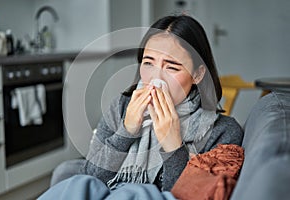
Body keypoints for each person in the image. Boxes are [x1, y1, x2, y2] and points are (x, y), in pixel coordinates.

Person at [48, 14, 244, 195]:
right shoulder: (122, 107)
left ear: (197, 74)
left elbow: (185, 196)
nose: (156, 78)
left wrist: (173, 147)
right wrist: (126, 132)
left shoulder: (223, 131)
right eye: (148, 63)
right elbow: (89, 179)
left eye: (172, 67)